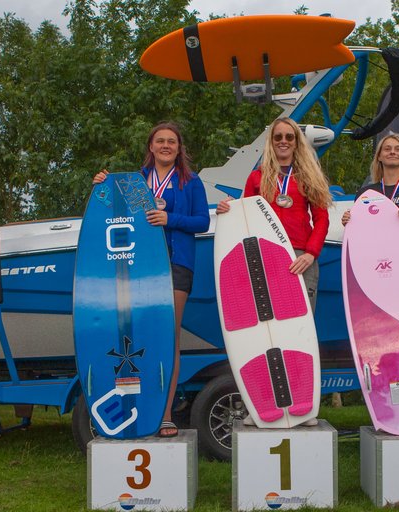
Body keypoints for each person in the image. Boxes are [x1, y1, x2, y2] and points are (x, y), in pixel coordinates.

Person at [93, 122, 209, 438]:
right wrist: (103, 184)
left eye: (172, 141)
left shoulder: (191, 181)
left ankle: (166, 414)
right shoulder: (135, 181)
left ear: (179, 148)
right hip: (139, 268)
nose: (166, 146)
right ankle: (140, 411)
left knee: (168, 337)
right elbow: (110, 209)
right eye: (161, 141)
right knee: (140, 337)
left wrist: (170, 219)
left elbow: (203, 221)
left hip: (176, 265)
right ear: (151, 147)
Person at [216, 117, 331, 310]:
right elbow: (246, 217)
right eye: (278, 137)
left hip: (300, 256)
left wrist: (311, 253)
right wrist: (228, 210)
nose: (283, 141)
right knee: (272, 321)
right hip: (265, 254)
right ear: (271, 141)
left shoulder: (309, 176)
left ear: (296, 142)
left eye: (289, 137)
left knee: (301, 321)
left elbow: (322, 219)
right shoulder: (256, 177)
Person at [341, 133, 399, 254]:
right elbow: (359, 234)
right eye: (387, 149)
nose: (392, 152)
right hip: (376, 260)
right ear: (379, 156)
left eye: (398, 149)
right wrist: (348, 222)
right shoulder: (365, 193)